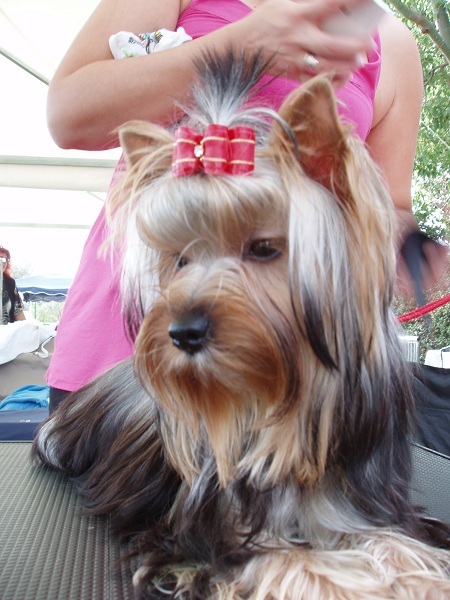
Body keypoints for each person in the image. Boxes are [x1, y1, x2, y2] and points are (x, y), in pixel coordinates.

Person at [46, 0, 426, 412]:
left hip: (295, 388)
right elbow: (68, 113)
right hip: (119, 363)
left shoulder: (391, 43)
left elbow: (389, 212)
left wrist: (408, 251)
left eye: (261, 248)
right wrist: (243, 45)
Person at [0, 246, 26, 324]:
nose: (3, 262)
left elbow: (18, 312)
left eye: (6, 259)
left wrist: (26, 327)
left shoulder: (10, 283)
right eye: (0, 258)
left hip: (6, 330)